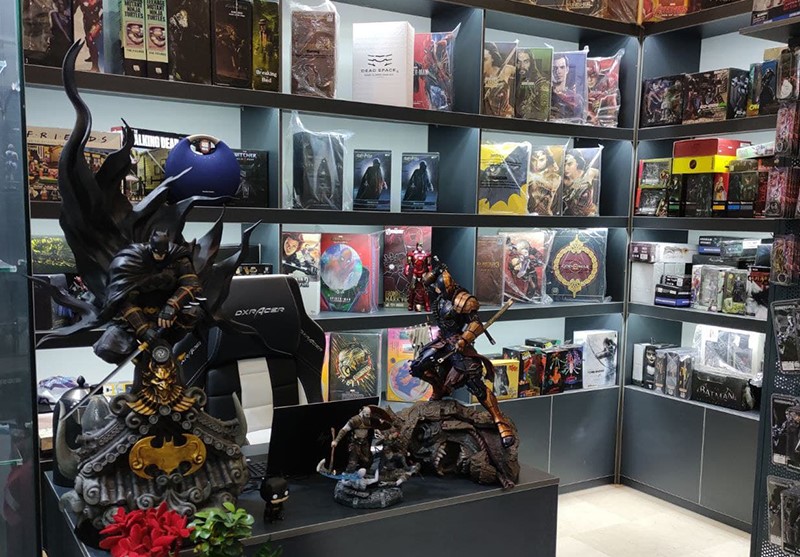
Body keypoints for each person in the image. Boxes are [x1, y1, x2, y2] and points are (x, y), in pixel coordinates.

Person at [409, 263, 515, 448]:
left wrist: (464, 340)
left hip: (459, 343)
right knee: (418, 365)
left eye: (442, 289)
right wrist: (437, 270)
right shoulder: (439, 296)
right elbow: (425, 282)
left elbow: (475, 324)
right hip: (443, 342)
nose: (439, 291)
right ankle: (439, 389)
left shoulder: (463, 300)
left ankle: (499, 421)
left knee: (474, 381)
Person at [483, 43, 516, 117]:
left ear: (492, 58)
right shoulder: (478, 77)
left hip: (505, 117)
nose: (481, 63)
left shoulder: (505, 70)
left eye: (484, 60)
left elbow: (524, 74)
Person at [551, 53, 585, 121]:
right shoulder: (546, 96)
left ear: (567, 69)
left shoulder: (576, 99)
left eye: (562, 67)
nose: (558, 71)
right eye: (555, 68)